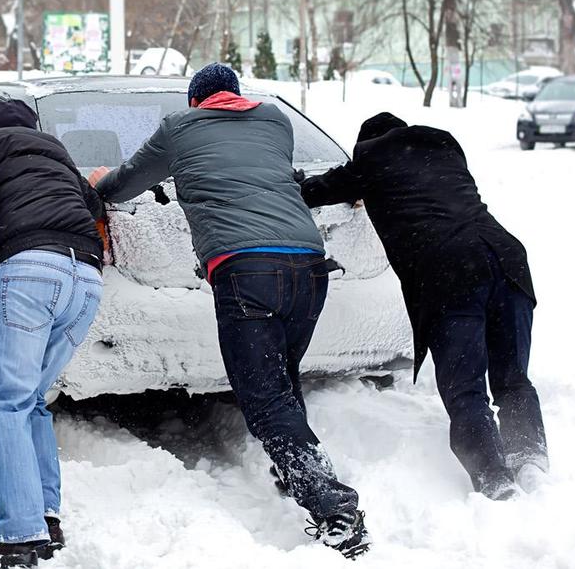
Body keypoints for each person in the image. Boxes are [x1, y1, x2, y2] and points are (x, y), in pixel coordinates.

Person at [89, 63, 370, 559]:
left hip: (247, 270)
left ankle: (331, 505)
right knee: (281, 379)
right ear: (236, 96)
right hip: (309, 267)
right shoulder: (277, 121)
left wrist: (92, 189)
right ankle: (297, 472)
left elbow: (127, 181)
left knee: (262, 398)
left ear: (197, 101)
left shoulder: (179, 128)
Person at [301, 112, 546, 500]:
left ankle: (495, 482)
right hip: (507, 257)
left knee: (465, 388)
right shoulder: (444, 148)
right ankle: (529, 459)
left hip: (452, 271)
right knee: (513, 378)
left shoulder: (369, 163)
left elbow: (312, 191)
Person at [0, 99, 105, 568]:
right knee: (31, 399)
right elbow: (92, 206)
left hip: (27, 272)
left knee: (8, 401)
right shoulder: (58, 155)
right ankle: (46, 514)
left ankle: (18, 534)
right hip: (85, 281)